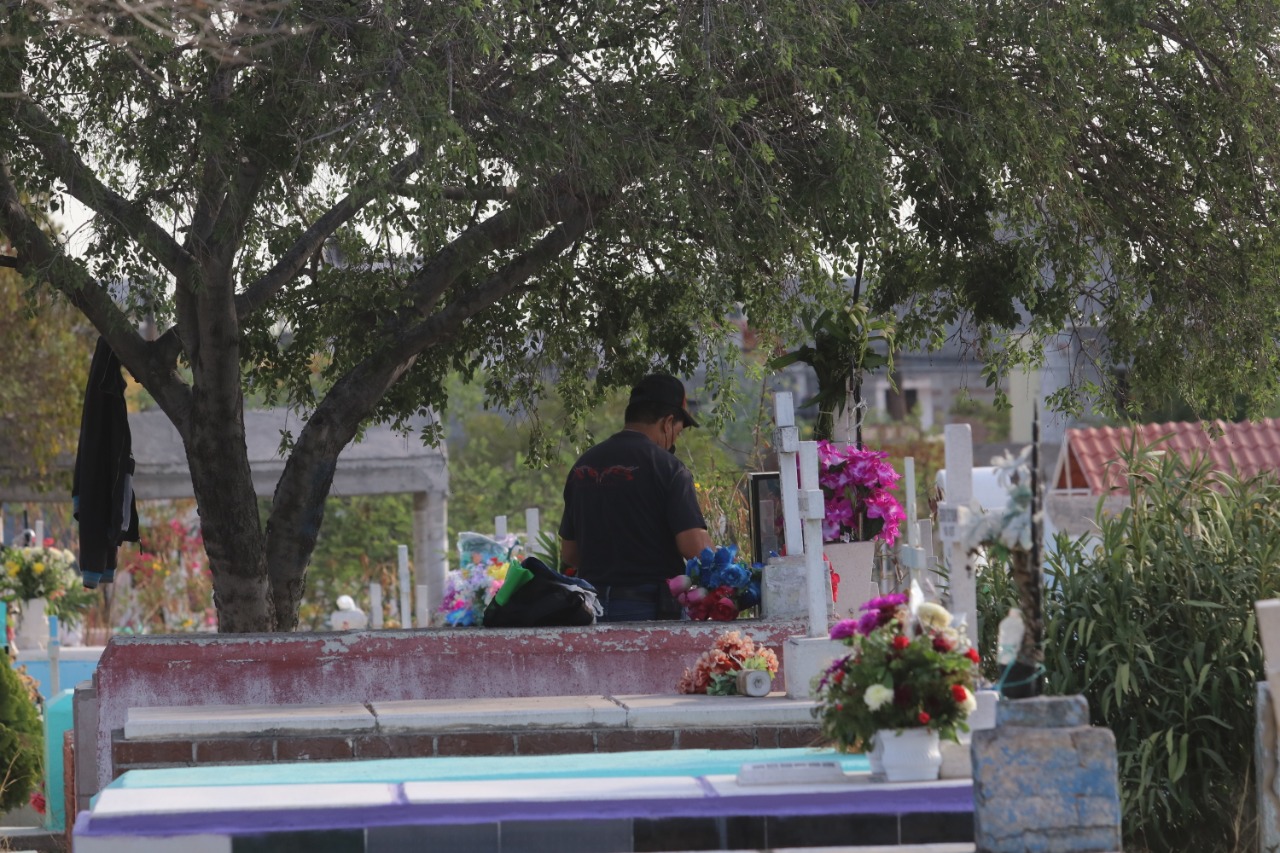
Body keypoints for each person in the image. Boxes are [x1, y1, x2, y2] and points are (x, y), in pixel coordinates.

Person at [559, 374, 714, 621]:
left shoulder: (582, 467)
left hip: (591, 610)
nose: (676, 438)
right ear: (667, 422)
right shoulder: (669, 468)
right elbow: (694, 547)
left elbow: (570, 553)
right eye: (678, 431)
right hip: (649, 609)